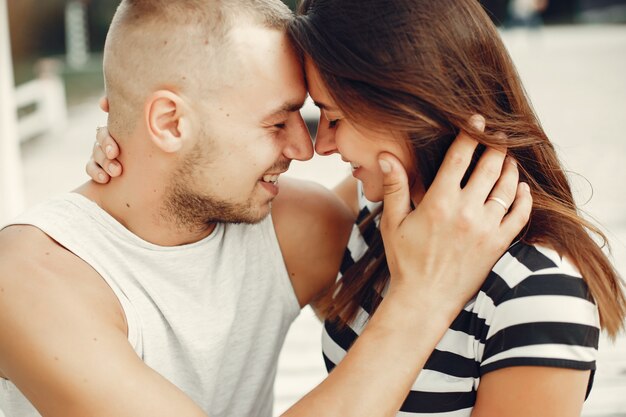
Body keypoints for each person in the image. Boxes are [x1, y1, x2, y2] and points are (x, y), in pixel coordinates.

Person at [92, 0, 625, 415]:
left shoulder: (537, 290)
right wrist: (137, 153)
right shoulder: (373, 225)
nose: (318, 146)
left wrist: (426, 295)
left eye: (333, 116)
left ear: (413, 104)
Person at [0, 1, 530, 417]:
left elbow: (433, 213)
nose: (305, 148)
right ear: (169, 123)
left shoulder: (294, 228)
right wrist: (421, 301)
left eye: (309, 117)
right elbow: (424, 283)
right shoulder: (27, 278)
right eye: (277, 123)